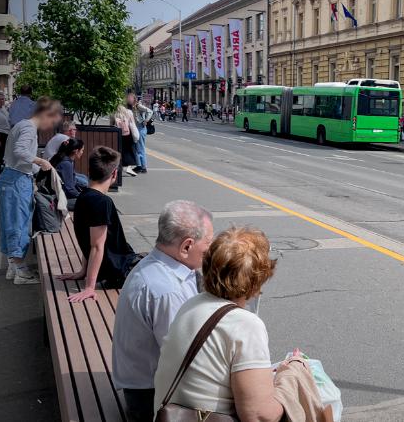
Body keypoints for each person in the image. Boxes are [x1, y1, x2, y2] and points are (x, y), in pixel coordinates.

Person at [153, 227, 285, 421]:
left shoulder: (191, 304)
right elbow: (257, 415)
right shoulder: (245, 324)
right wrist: (289, 385)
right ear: (256, 281)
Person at [113, 200, 213, 422]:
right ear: (186, 246)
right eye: (207, 246)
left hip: (142, 383)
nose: (210, 253)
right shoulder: (167, 290)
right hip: (151, 398)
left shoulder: (156, 266)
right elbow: (186, 360)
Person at [59, 147, 136, 301]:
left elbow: (89, 240)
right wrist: (89, 287)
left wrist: (83, 271)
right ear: (114, 174)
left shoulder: (84, 196)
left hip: (115, 266)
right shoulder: (102, 202)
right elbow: (96, 246)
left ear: (90, 171)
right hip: (120, 270)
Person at [0, 97, 60, 285]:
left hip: (9, 177)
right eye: (53, 119)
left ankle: (14, 266)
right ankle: (21, 271)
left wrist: (37, 169)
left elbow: (16, 155)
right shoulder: (28, 128)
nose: (51, 125)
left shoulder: (20, 125)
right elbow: (20, 151)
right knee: (19, 223)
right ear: (46, 114)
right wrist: (41, 161)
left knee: (9, 222)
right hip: (17, 180)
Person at [50, 138, 85, 208]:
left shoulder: (61, 158)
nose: (82, 152)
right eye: (82, 150)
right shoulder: (66, 164)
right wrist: (83, 196)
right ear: (76, 151)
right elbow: (69, 189)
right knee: (90, 202)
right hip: (58, 199)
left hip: (56, 195)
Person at [111, 104, 140, 177]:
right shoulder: (127, 114)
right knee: (129, 151)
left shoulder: (114, 115)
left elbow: (111, 125)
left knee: (119, 151)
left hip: (118, 135)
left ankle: (119, 167)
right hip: (128, 135)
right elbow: (132, 123)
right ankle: (127, 167)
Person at [127, 93, 153, 174]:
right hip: (136, 128)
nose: (128, 99)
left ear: (134, 99)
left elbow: (150, 111)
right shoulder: (131, 107)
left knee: (140, 148)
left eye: (130, 98)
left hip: (140, 128)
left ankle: (143, 167)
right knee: (136, 148)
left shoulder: (138, 106)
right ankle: (139, 165)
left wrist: (146, 120)